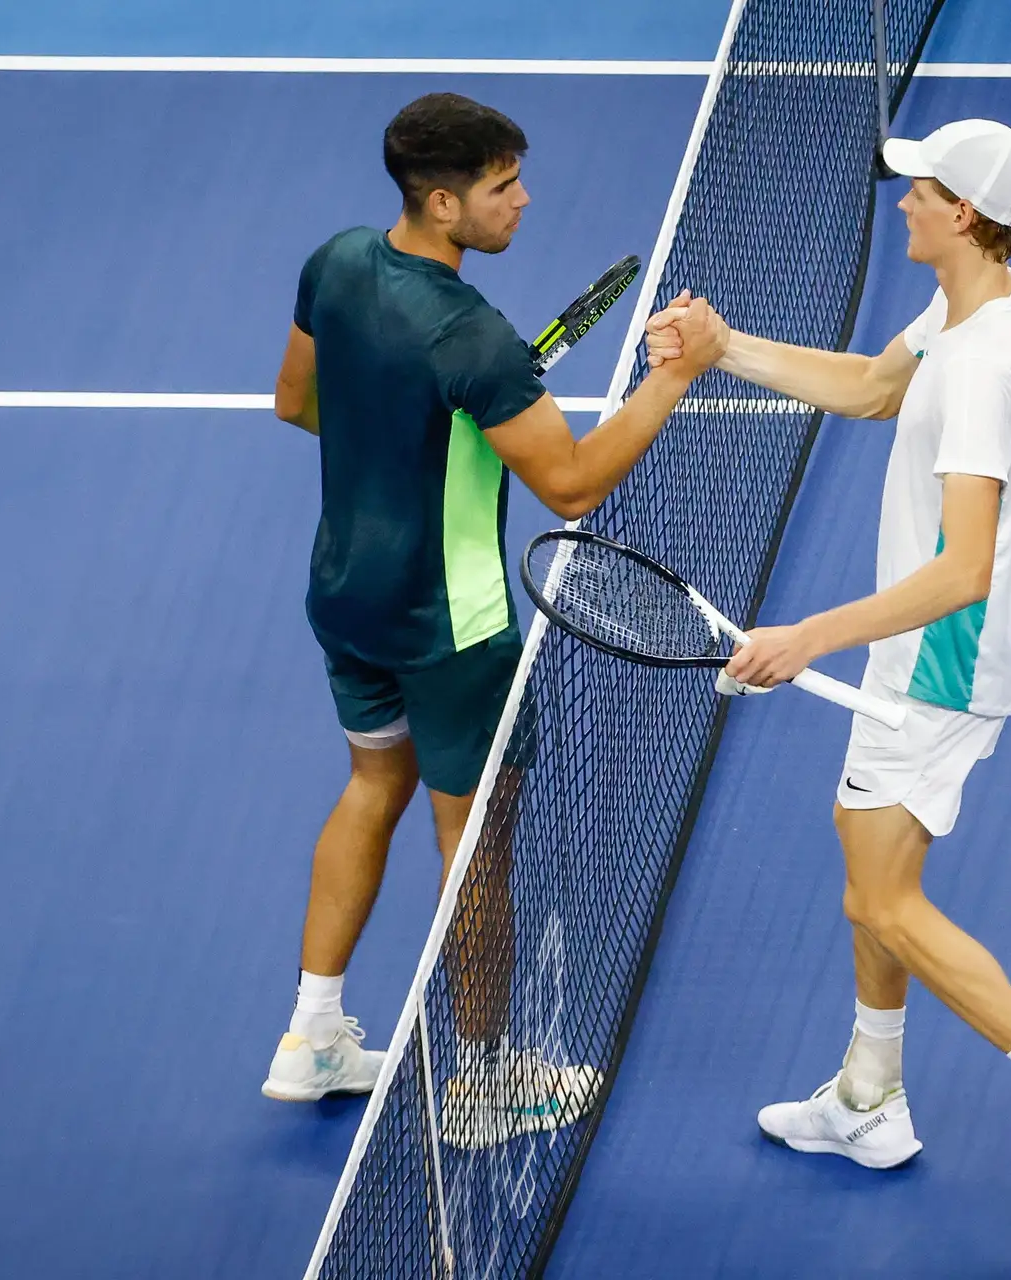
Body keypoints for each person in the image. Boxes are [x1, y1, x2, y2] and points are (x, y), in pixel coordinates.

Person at [645, 119, 1011, 1252]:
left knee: (883, 897)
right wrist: (723, 349)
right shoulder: (986, 303)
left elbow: (960, 565)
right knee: (866, 842)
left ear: (963, 214)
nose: (901, 204)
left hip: (945, 650)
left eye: (918, 191)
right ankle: (870, 1094)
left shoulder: (986, 364)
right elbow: (878, 387)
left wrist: (805, 637)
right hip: (952, 638)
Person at [262, 91, 723, 1152]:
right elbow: (569, 485)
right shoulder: (475, 338)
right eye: (501, 187)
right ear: (440, 201)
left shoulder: (335, 261)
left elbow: (296, 400)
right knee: (477, 851)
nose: (523, 201)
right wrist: (671, 380)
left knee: (372, 782)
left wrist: (413, 433)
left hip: (345, 593)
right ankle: (483, 1081)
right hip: (452, 626)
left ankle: (312, 1033)